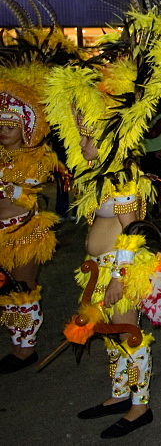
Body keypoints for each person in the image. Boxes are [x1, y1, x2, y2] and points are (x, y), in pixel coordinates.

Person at [46, 0, 161, 439]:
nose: (83, 142)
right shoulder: (97, 178)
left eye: (91, 134)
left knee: (128, 333)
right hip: (101, 271)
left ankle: (140, 407)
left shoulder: (125, 181)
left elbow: (135, 236)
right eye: (80, 132)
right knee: (108, 333)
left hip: (123, 272)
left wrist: (122, 278)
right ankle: (119, 392)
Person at [0, 66, 59, 373]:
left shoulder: (39, 157)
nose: (3, 131)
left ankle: (28, 349)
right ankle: (16, 343)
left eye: (9, 126)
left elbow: (28, 195)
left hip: (25, 231)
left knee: (23, 287)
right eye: (0, 125)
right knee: (6, 292)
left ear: (24, 127)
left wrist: (8, 187)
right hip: (1, 235)